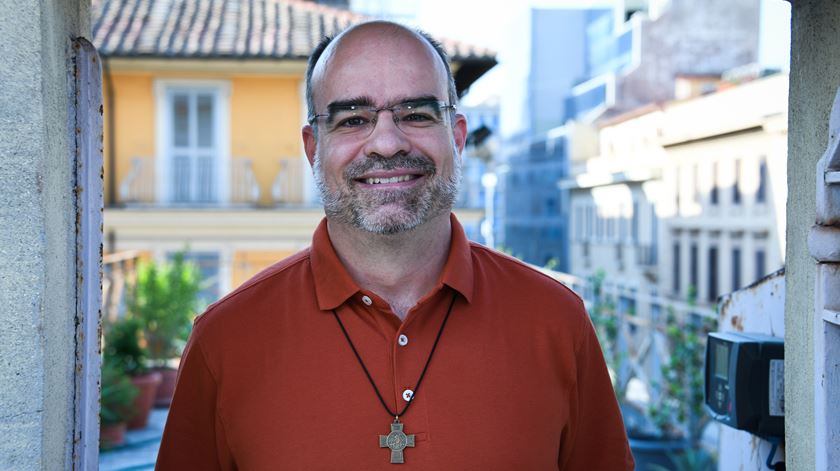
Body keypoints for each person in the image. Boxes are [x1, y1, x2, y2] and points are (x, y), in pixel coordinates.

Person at [156, 20, 634, 470]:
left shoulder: (556, 321)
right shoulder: (225, 340)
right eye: (352, 119)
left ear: (458, 136)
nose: (386, 143)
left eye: (417, 114)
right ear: (312, 147)